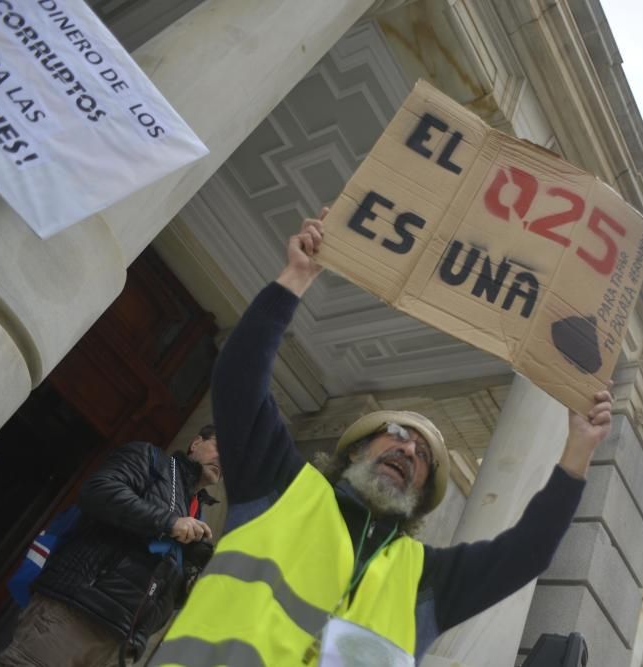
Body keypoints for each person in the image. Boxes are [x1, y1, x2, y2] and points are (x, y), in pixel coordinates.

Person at [150, 211, 614, 666]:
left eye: (425, 456)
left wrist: (578, 450)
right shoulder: (280, 490)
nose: (410, 449)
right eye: (396, 434)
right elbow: (239, 378)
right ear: (356, 448)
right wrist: (296, 277)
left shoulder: (427, 581)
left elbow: (527, 551)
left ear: (424, 491)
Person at [0, 427, 222, 667]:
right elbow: (98, 491)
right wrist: (169, 522)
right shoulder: (151, 460)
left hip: (119, 645)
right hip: (75, 612)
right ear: (196, 443)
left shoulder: (198, 513)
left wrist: (189, 579)